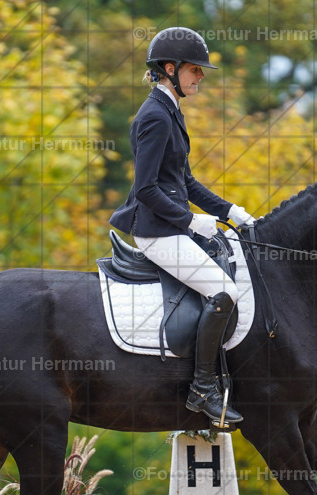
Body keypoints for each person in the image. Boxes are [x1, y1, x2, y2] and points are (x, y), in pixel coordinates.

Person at [110, 27, 255, 425]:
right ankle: (202, 388)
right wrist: (191, 220)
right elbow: (146, 190)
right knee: (224, 291)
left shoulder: (170, 110)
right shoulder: (155, 116)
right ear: (169, 69)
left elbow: (184, 182)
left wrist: (231, 211)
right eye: (195, 70)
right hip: (156, 231)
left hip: (172, 225)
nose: (201, 77)